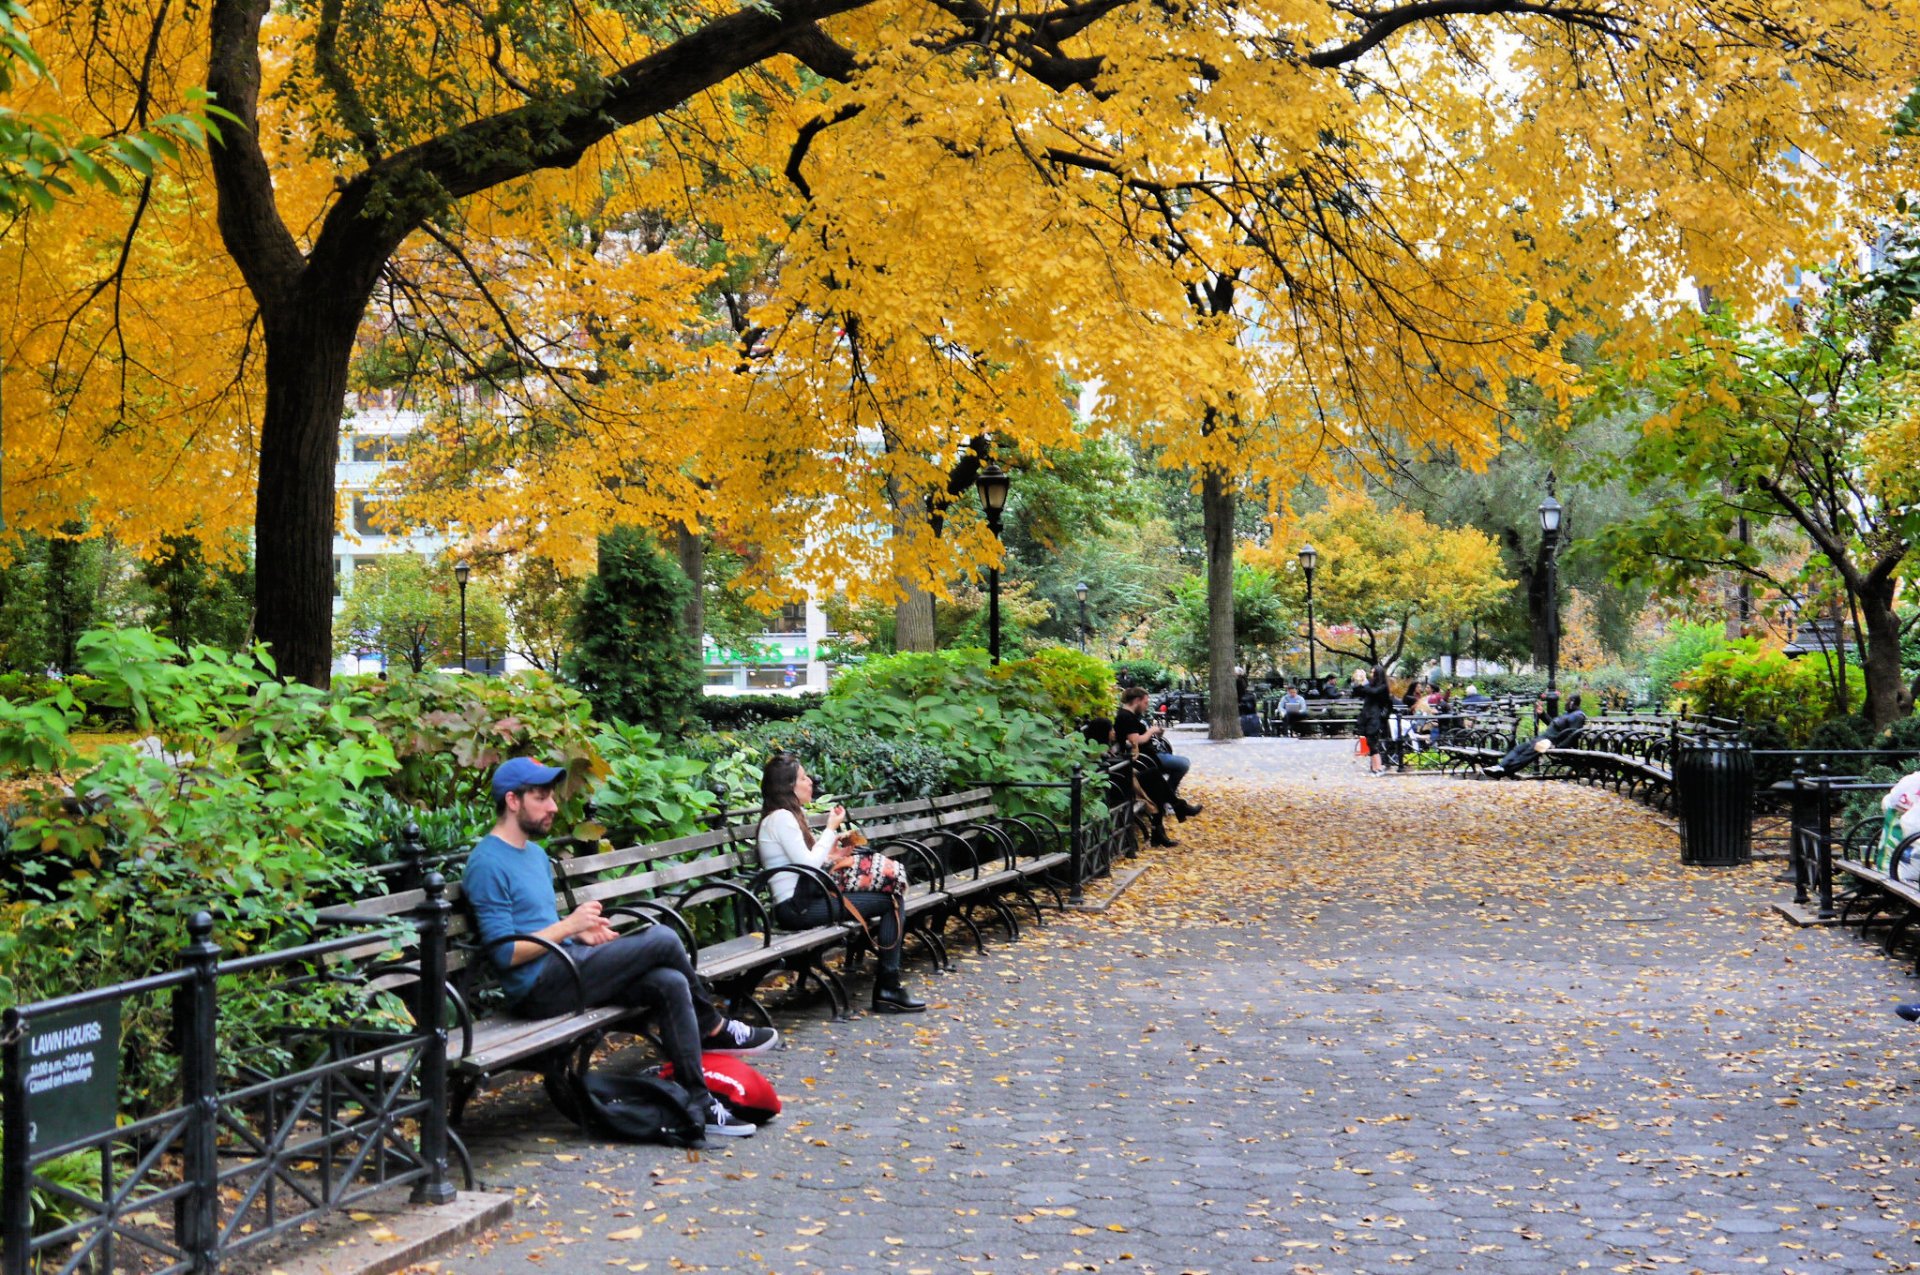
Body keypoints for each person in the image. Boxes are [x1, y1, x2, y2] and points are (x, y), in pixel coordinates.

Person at [464, 757, 774, 1140]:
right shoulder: (487, 863)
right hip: (536, 989)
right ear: (513, 801)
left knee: (669, 982)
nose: (553, 807)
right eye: (542, 797)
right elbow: (505, 954)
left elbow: (541, 927)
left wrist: (581, 934)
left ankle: (698, 1104)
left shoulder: (536, 855)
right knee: (662, 938)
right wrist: (569, 927)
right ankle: (712, 1025)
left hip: (565, 967)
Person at [754, 754, 926, 1014]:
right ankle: (888, 988)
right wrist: (830, 829)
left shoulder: (788, 816)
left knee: (892, 898)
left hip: (808, 899)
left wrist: (835, 851)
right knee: (892, 900)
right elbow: (808, 866)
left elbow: (810, 862)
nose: (810, 781)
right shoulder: (781, 818)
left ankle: (889, 987)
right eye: (803, 777)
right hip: (796, 908)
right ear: (788, 785)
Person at [1085, 717, 1180, 846]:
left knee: (1154, 779)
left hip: (1123, 781)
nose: (1114, 732)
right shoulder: (1097, 753)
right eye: (1111, 729)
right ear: (1103, 732)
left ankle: (1164, 825)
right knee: (1154, 783)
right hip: (1116, 788)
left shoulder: (1107, 748)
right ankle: (1171, 816)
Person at [1115, 687, 1201, 821]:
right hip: (1143, 761)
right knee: (1181, 765)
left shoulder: (1129, 716)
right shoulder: (1126, 717)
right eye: (1145, 703)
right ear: (1137, 700)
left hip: (1148, 758)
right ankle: (1177, 806)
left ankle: (1176, 807)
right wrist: (1151, 731)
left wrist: (1154, 733)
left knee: (1159, 780)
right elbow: (1135, 741)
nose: (1146, 706)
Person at [1488, 694, 1588, 776]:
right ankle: (1501, 766)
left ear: (1572, 702)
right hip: (1543, 738)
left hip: (1549, 742)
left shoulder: (1578, 716)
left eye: (1567, 700)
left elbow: (1574, 734)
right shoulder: (1568, 714)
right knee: (1519, 748)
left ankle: (1503, 771)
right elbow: (1553, 724)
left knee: (1527, 754)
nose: (1565, 703)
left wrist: (1559, 746)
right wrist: (1542, 714)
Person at [1354, 665, 1395, 775]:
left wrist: (1364, 681)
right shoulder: (1370, 685)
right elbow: (1358, 691)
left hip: (1375, 717)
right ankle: (1374, 768)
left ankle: (1378, 768)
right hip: (1366, 716)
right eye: (1370, 672)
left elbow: (1373, 692)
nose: (1371, 675)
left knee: (1372, 742)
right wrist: (1358, 680)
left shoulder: (1382, 687)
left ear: (1378, 674)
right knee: (1368, 742)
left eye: (1373, 673)